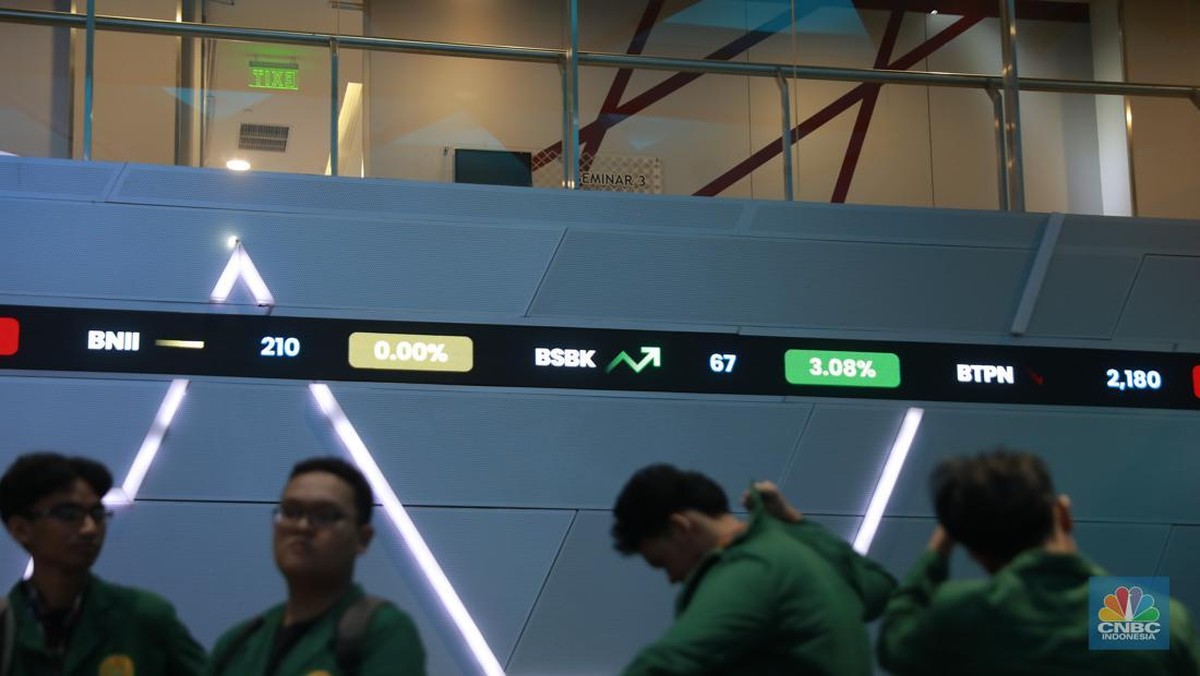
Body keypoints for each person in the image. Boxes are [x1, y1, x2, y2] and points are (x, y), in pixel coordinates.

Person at [878, 448, 1200, 675]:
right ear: (1063, 513)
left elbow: (895, 645)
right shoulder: (1158, 621)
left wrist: (937, 551)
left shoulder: (961, 616)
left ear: (975, 552)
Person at [611, 463, 895, 675]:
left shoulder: (750, 568)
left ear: (680, 527)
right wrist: (795, 522)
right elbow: (878, 589)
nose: (672, 578)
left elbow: (671, 662)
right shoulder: (796, 549)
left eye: (662, 562)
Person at [211, 457, 425, 675]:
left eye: (325, 515)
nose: (302, 526)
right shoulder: (238, 644)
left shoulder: (382, 632)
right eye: (291, 512)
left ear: (363, 538)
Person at [0, 451, 207, 675]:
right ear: (21, 529)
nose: (89, 529)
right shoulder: (6, 627)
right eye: (69, 514)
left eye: (97, 513)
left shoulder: (143, 619)